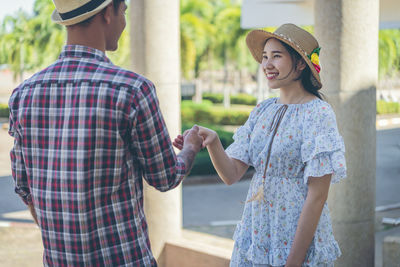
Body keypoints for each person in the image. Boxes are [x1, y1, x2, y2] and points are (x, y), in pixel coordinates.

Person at [8, 0, 202, 266]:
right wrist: (190, 147)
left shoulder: (24, 94)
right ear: (108, 12)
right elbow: (166, 177)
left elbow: (24, 186)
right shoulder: (133, 90)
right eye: (123, 11)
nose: (124, 21)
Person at [174, 24, 347, 267]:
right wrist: (212, 141)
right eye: (265, 57)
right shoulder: (263, 111)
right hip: (258, 232)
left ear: (300, 64)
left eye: (276, 56)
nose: (267, 64)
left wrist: (293, 263)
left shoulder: (319, 114)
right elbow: (231, 174)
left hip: (295, 237)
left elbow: (317, 196)